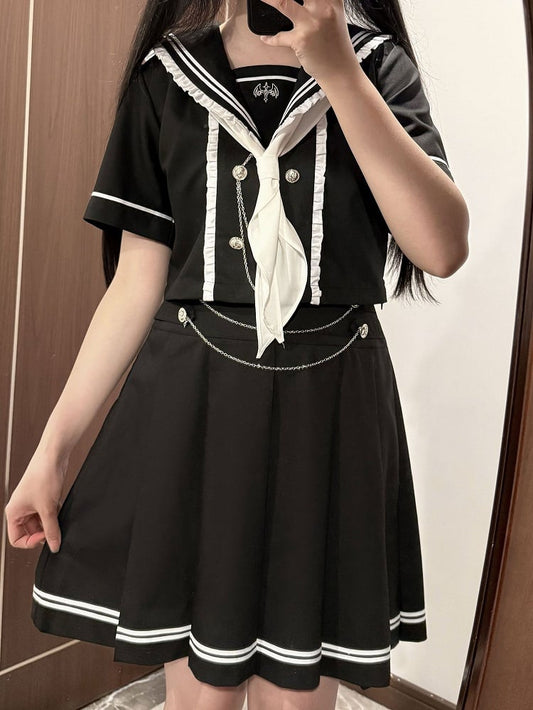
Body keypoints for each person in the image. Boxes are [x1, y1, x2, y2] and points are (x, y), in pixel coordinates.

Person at [4, 0, 469, 708]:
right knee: (202, 694)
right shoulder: (168, 76)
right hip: (192, 409)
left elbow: (440, 248)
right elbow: (135, 283)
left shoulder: (377, 68)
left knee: (297, 690)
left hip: (331, 415)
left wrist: (341, 74)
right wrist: (52, 454)